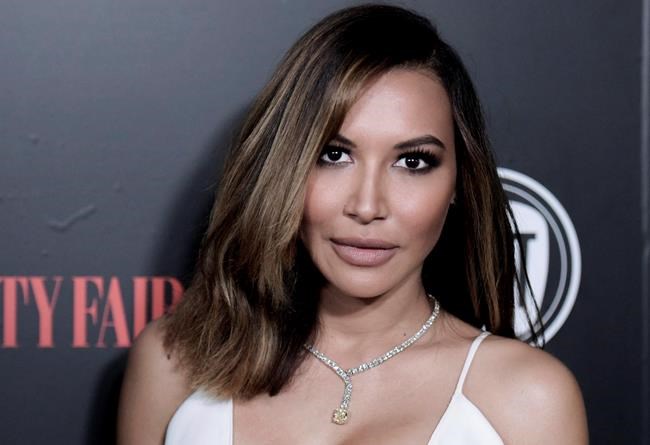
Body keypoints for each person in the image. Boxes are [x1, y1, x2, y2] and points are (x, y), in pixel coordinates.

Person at [117, 4, 588, 444]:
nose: (367, 206)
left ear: (458, 184)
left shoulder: (527, 401)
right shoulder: (173, 366)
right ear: (286, 168)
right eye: (334, 155)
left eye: (412, 162)